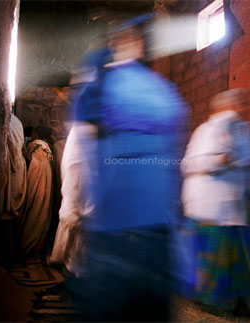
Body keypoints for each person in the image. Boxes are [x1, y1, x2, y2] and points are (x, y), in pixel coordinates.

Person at [67, 14, 188, 321]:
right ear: (140, 46)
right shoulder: (166, 94)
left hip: (113, 232)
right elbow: (174, 166)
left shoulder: (98, 88)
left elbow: (83, 156)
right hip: (157, 233)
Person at [179, 88, 250, 319]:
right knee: (210, 260)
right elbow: (189, 164)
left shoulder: (246, 133)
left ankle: (242, 302)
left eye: (245, 104)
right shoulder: (206, 132)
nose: (243, 109)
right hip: (211, 209)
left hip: (238, 208)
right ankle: (205, 298)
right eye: (238, 104)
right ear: (223, 108)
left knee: (241, 259)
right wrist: (220, 160)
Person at [50, 47, 112, 276]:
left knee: (85, 213)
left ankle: (75, 265)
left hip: (86, 161)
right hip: (80, 162)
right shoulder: (86, 112)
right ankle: (72, 264)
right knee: (78, 211)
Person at [0, 112, 27, 266]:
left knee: (4, 213)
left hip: (10, 171)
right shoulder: (17, 122)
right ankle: (10, 254)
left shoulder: (6, 121)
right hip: (18, 169)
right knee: (9, 215)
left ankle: (5, 256)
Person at [17, 125, 54, 260]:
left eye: (33, 133)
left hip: (38, 186)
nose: (31, 135)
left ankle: (29, 247)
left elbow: (38, 164)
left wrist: (27, 157)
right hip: (45, 188)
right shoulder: (44, 146)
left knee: (34, 214)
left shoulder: (38, 145)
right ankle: (33, 247)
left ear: (36, 134)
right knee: (38, 214)